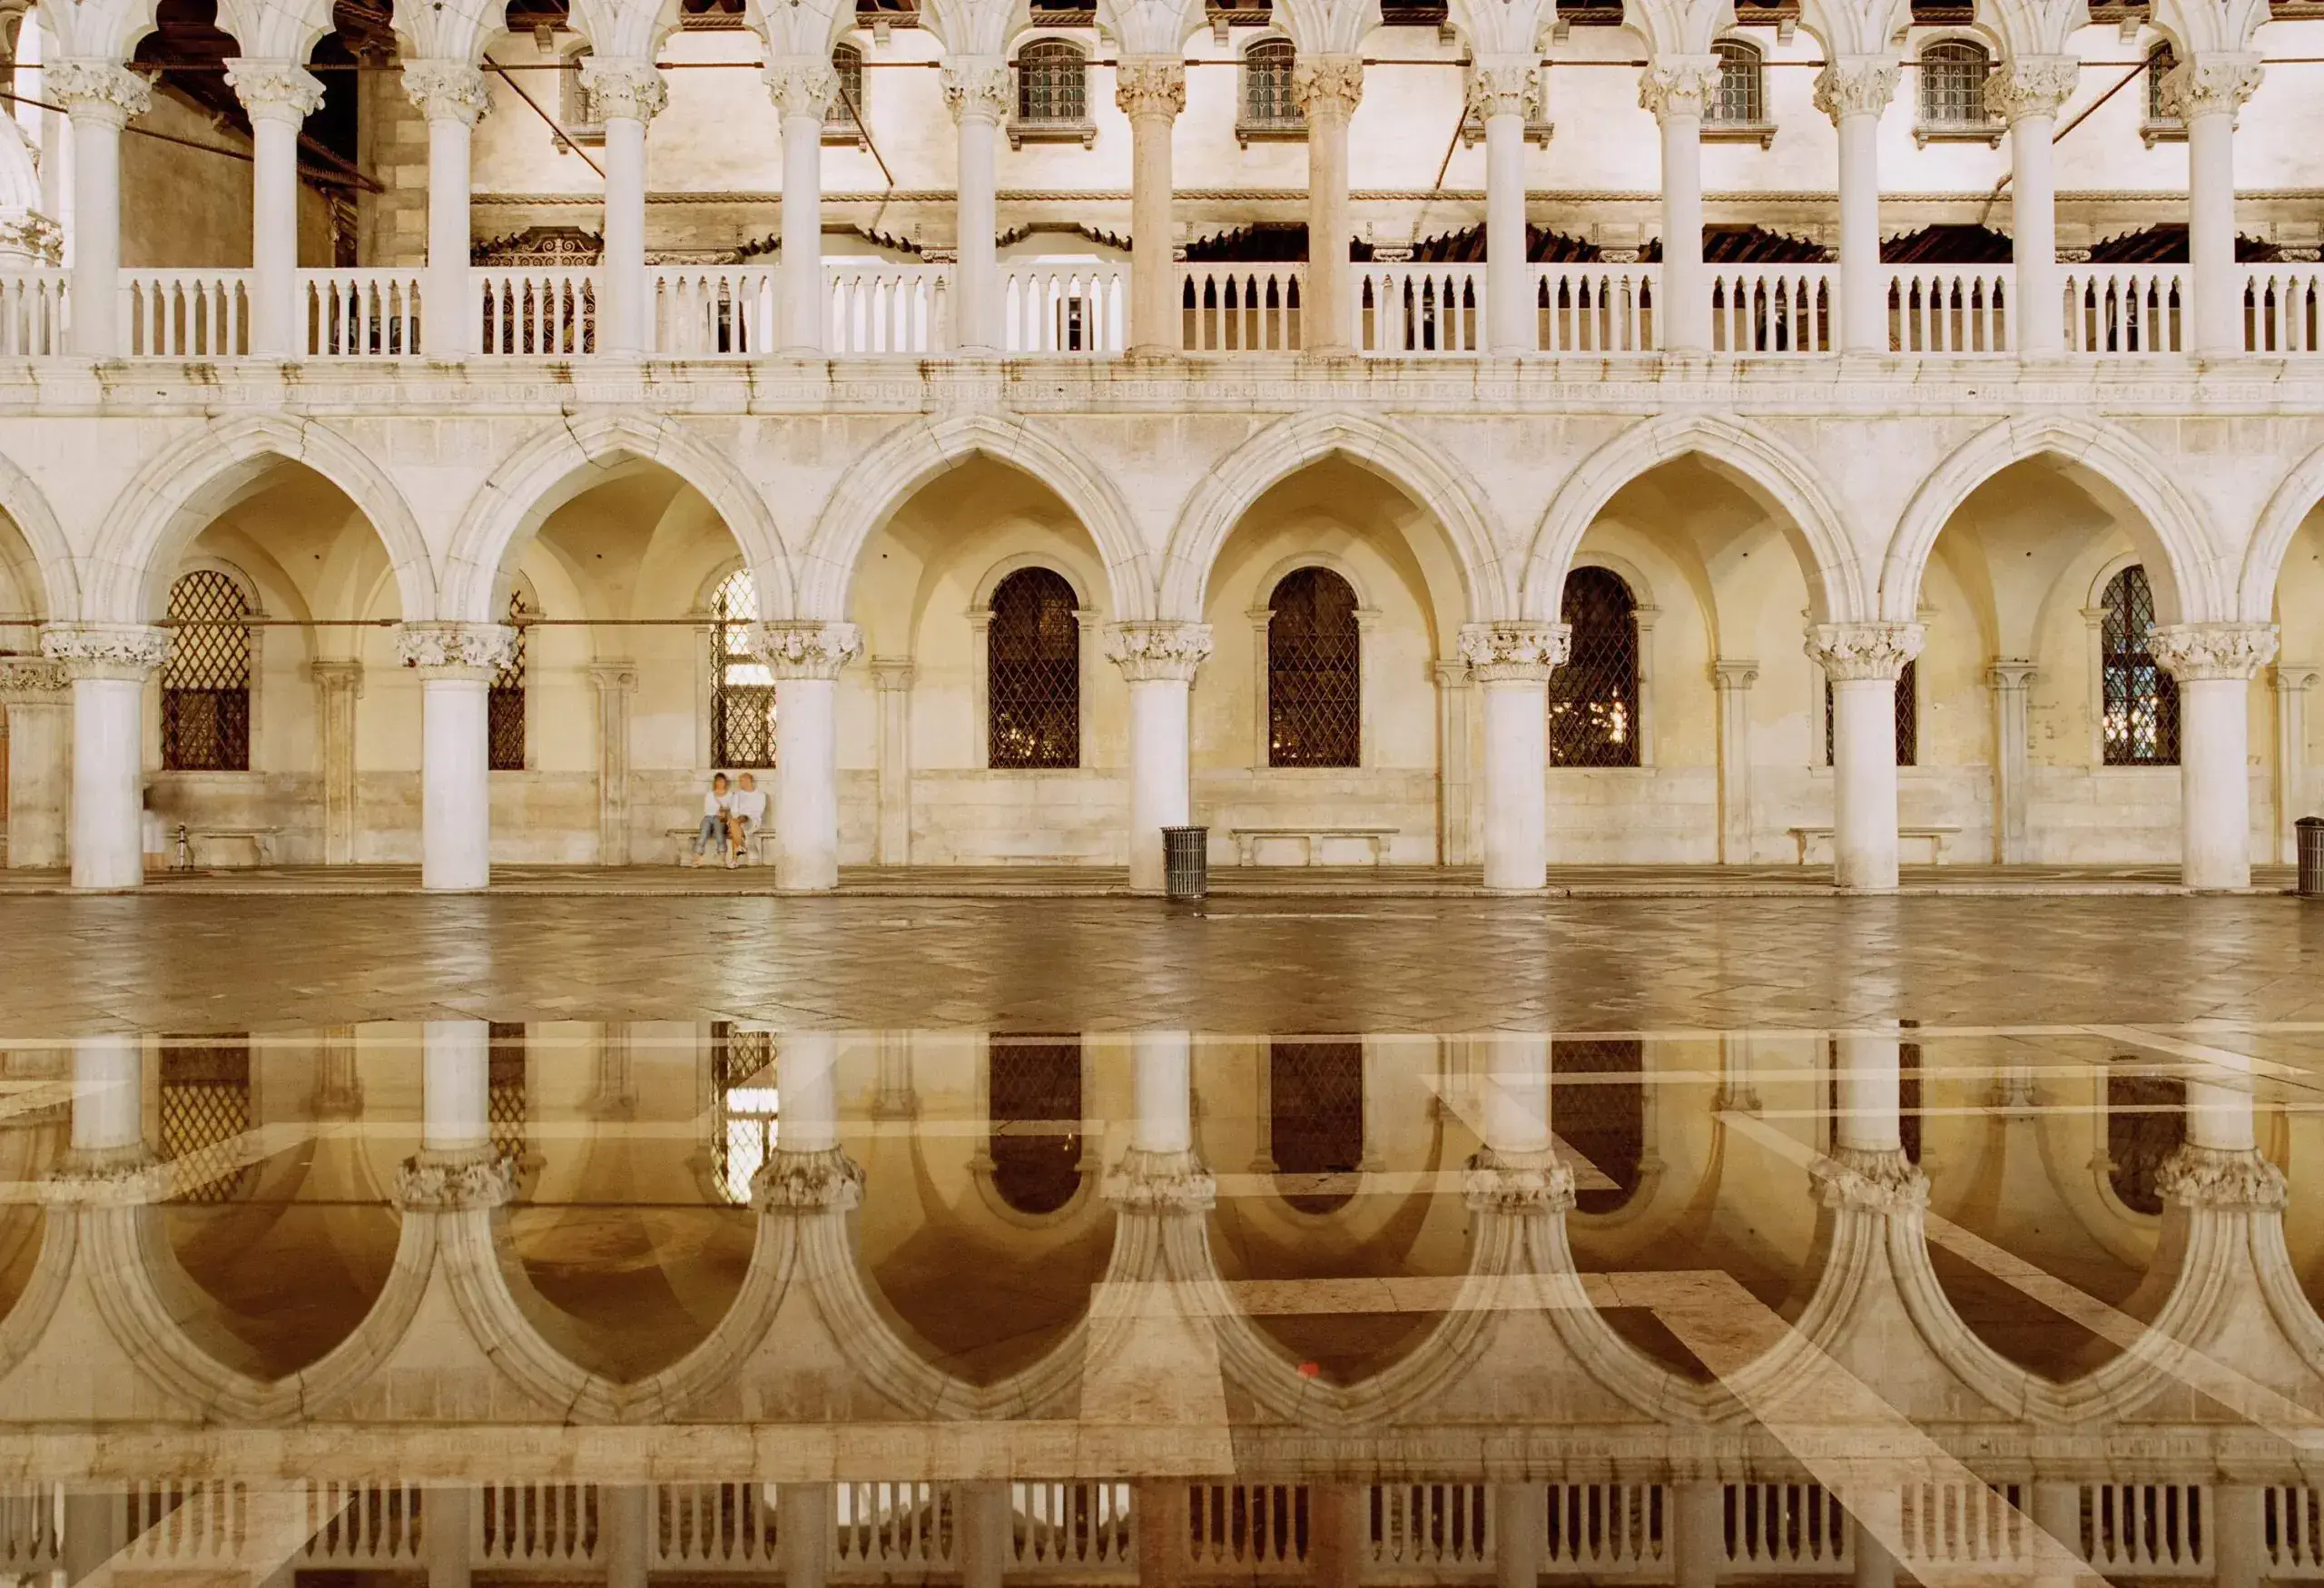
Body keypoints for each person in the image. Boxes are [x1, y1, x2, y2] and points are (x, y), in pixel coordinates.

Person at [689, 774, 733, 867]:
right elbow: (707, 810)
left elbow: (732, 808)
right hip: (709, 817)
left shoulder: (730, 794)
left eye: (722, 781)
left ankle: (722, 859)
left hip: (721, 818)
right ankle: (697, 859)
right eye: (718, 781)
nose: (720, 783)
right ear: (715, 782)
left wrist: (724, 811)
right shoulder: (709, 795)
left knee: (719, 835)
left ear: (725, 782)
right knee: (703, 834)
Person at [727, 772, 767, 868]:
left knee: (734, 826)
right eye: (740, 781)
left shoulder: (760, 795)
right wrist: (739, 818)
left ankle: (734, 859)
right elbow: (734, 810)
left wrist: (746, 816)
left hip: (753, 821)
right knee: (734, 824)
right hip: (739, 820)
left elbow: (759, 811)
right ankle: (741, 846)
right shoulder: (737, 795)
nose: (741, 783)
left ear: (750, 781)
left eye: (743, 781)